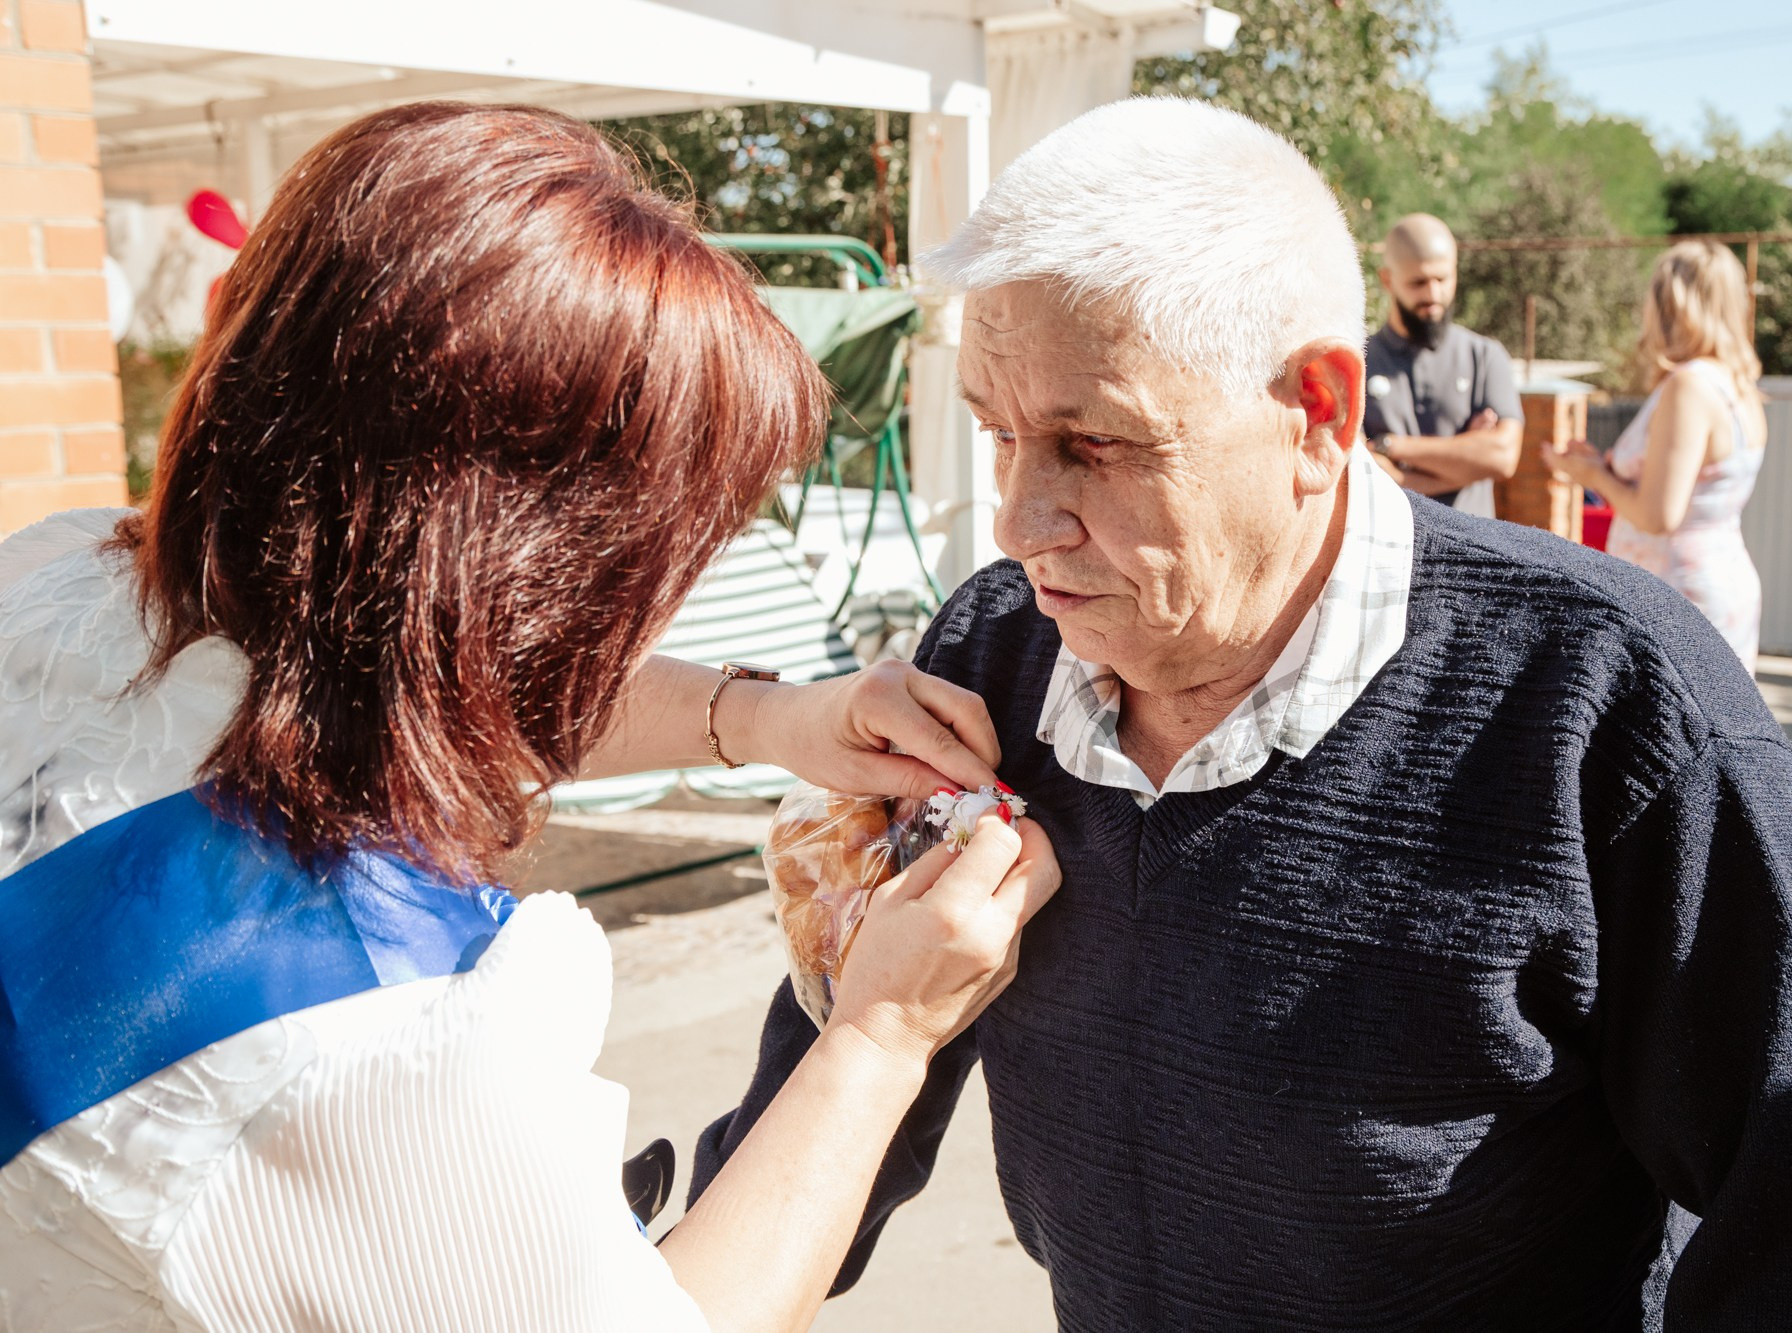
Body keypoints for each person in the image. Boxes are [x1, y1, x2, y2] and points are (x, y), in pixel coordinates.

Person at [693, 98, 1792, 1329]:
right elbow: (834, 1091)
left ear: (1317, 412)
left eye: (1095, 444)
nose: (1021, 523)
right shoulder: (987, 658)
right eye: (997, 435)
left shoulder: (1602, 696)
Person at [0, 102, 1060, 1333]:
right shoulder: (377, 1043)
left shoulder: (60, 583)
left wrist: (764, 718)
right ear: (520, 563)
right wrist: (881, 1029)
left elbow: (402, 679)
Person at [1543, 240, 1768, 670]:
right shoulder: (1737, 385)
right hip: (1720, 580)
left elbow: (1658, 515)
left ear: (1672, 305)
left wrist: (1595, 477)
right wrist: (1604, 467)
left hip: (1677, 594)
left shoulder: (1689, 387)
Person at [1361, 212, 1524, 514]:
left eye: (1442, 279)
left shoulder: (1485, 356)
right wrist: (1468, 459)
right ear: (1387, 280)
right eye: (1418, 282)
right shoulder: (1359, 359)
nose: (1433, 295)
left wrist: (1392, 446)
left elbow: (1502, 457)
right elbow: (1359, 473)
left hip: (1473, 542)